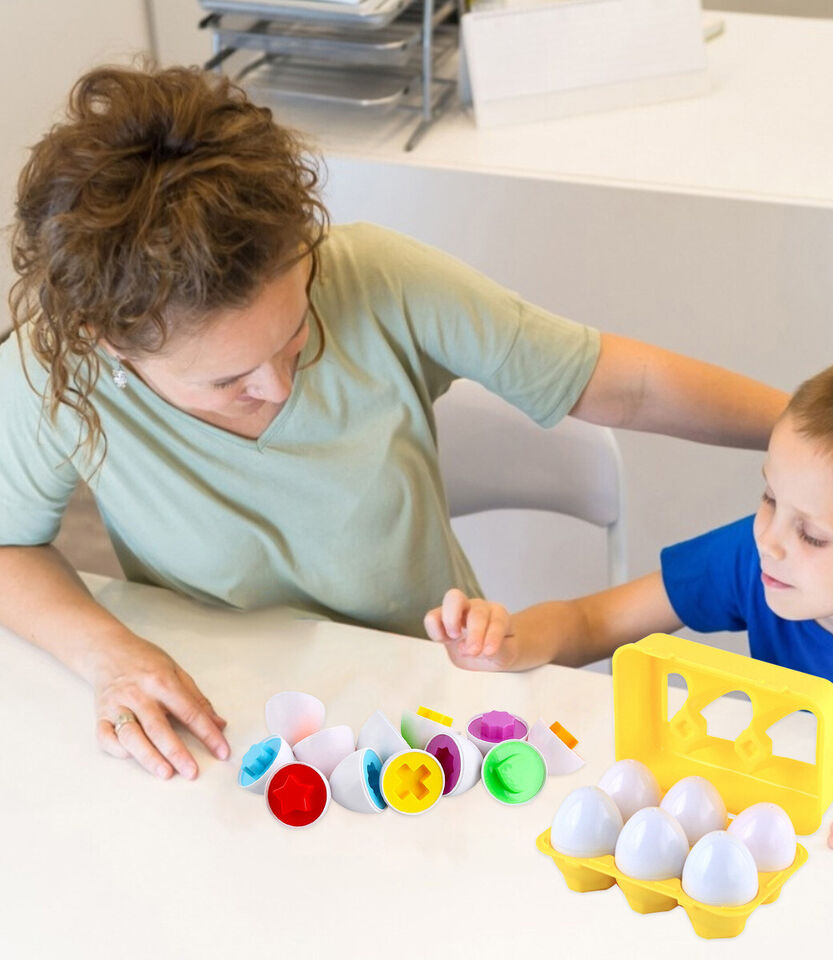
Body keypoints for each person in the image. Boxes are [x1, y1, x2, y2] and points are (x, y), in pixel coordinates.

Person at [0, 63, 786, 784]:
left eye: (296, 330)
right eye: (228, 380)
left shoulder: (375, 276)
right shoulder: (53, 367)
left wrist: (814, 435)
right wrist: (108, 654)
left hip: (432, 709)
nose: (277, 385)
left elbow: (625, 386)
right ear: (109, 343)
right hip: (229, 726)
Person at [426, 331, 833, 865]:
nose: (769, 540)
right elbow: (591, 621)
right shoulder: (758, 560)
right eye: (770, 497)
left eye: (812, 535)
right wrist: (508, 641)